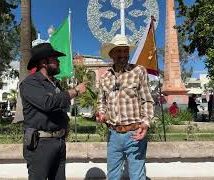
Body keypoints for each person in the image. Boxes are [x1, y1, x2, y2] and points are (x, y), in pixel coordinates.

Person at [20, 43, 86, 180]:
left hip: (59, 142)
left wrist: (66, 124)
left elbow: (59, 108)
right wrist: (75, 91)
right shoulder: (30, 83)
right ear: (44, 62)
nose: (58, 61)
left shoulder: (54, 83)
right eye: (55, 58)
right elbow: (47, 104)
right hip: (40, 145)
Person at [96, 34, 154, 180]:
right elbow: (101, 102)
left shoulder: (139, 71)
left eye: (125, 50)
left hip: (135, 133)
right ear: (111, 54)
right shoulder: (105, 78)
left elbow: (147, 100)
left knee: (137, 176)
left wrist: (145, 123)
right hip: (113, 135)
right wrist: (101, 114)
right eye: (118, 51)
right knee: (113, 176)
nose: (122, 54)